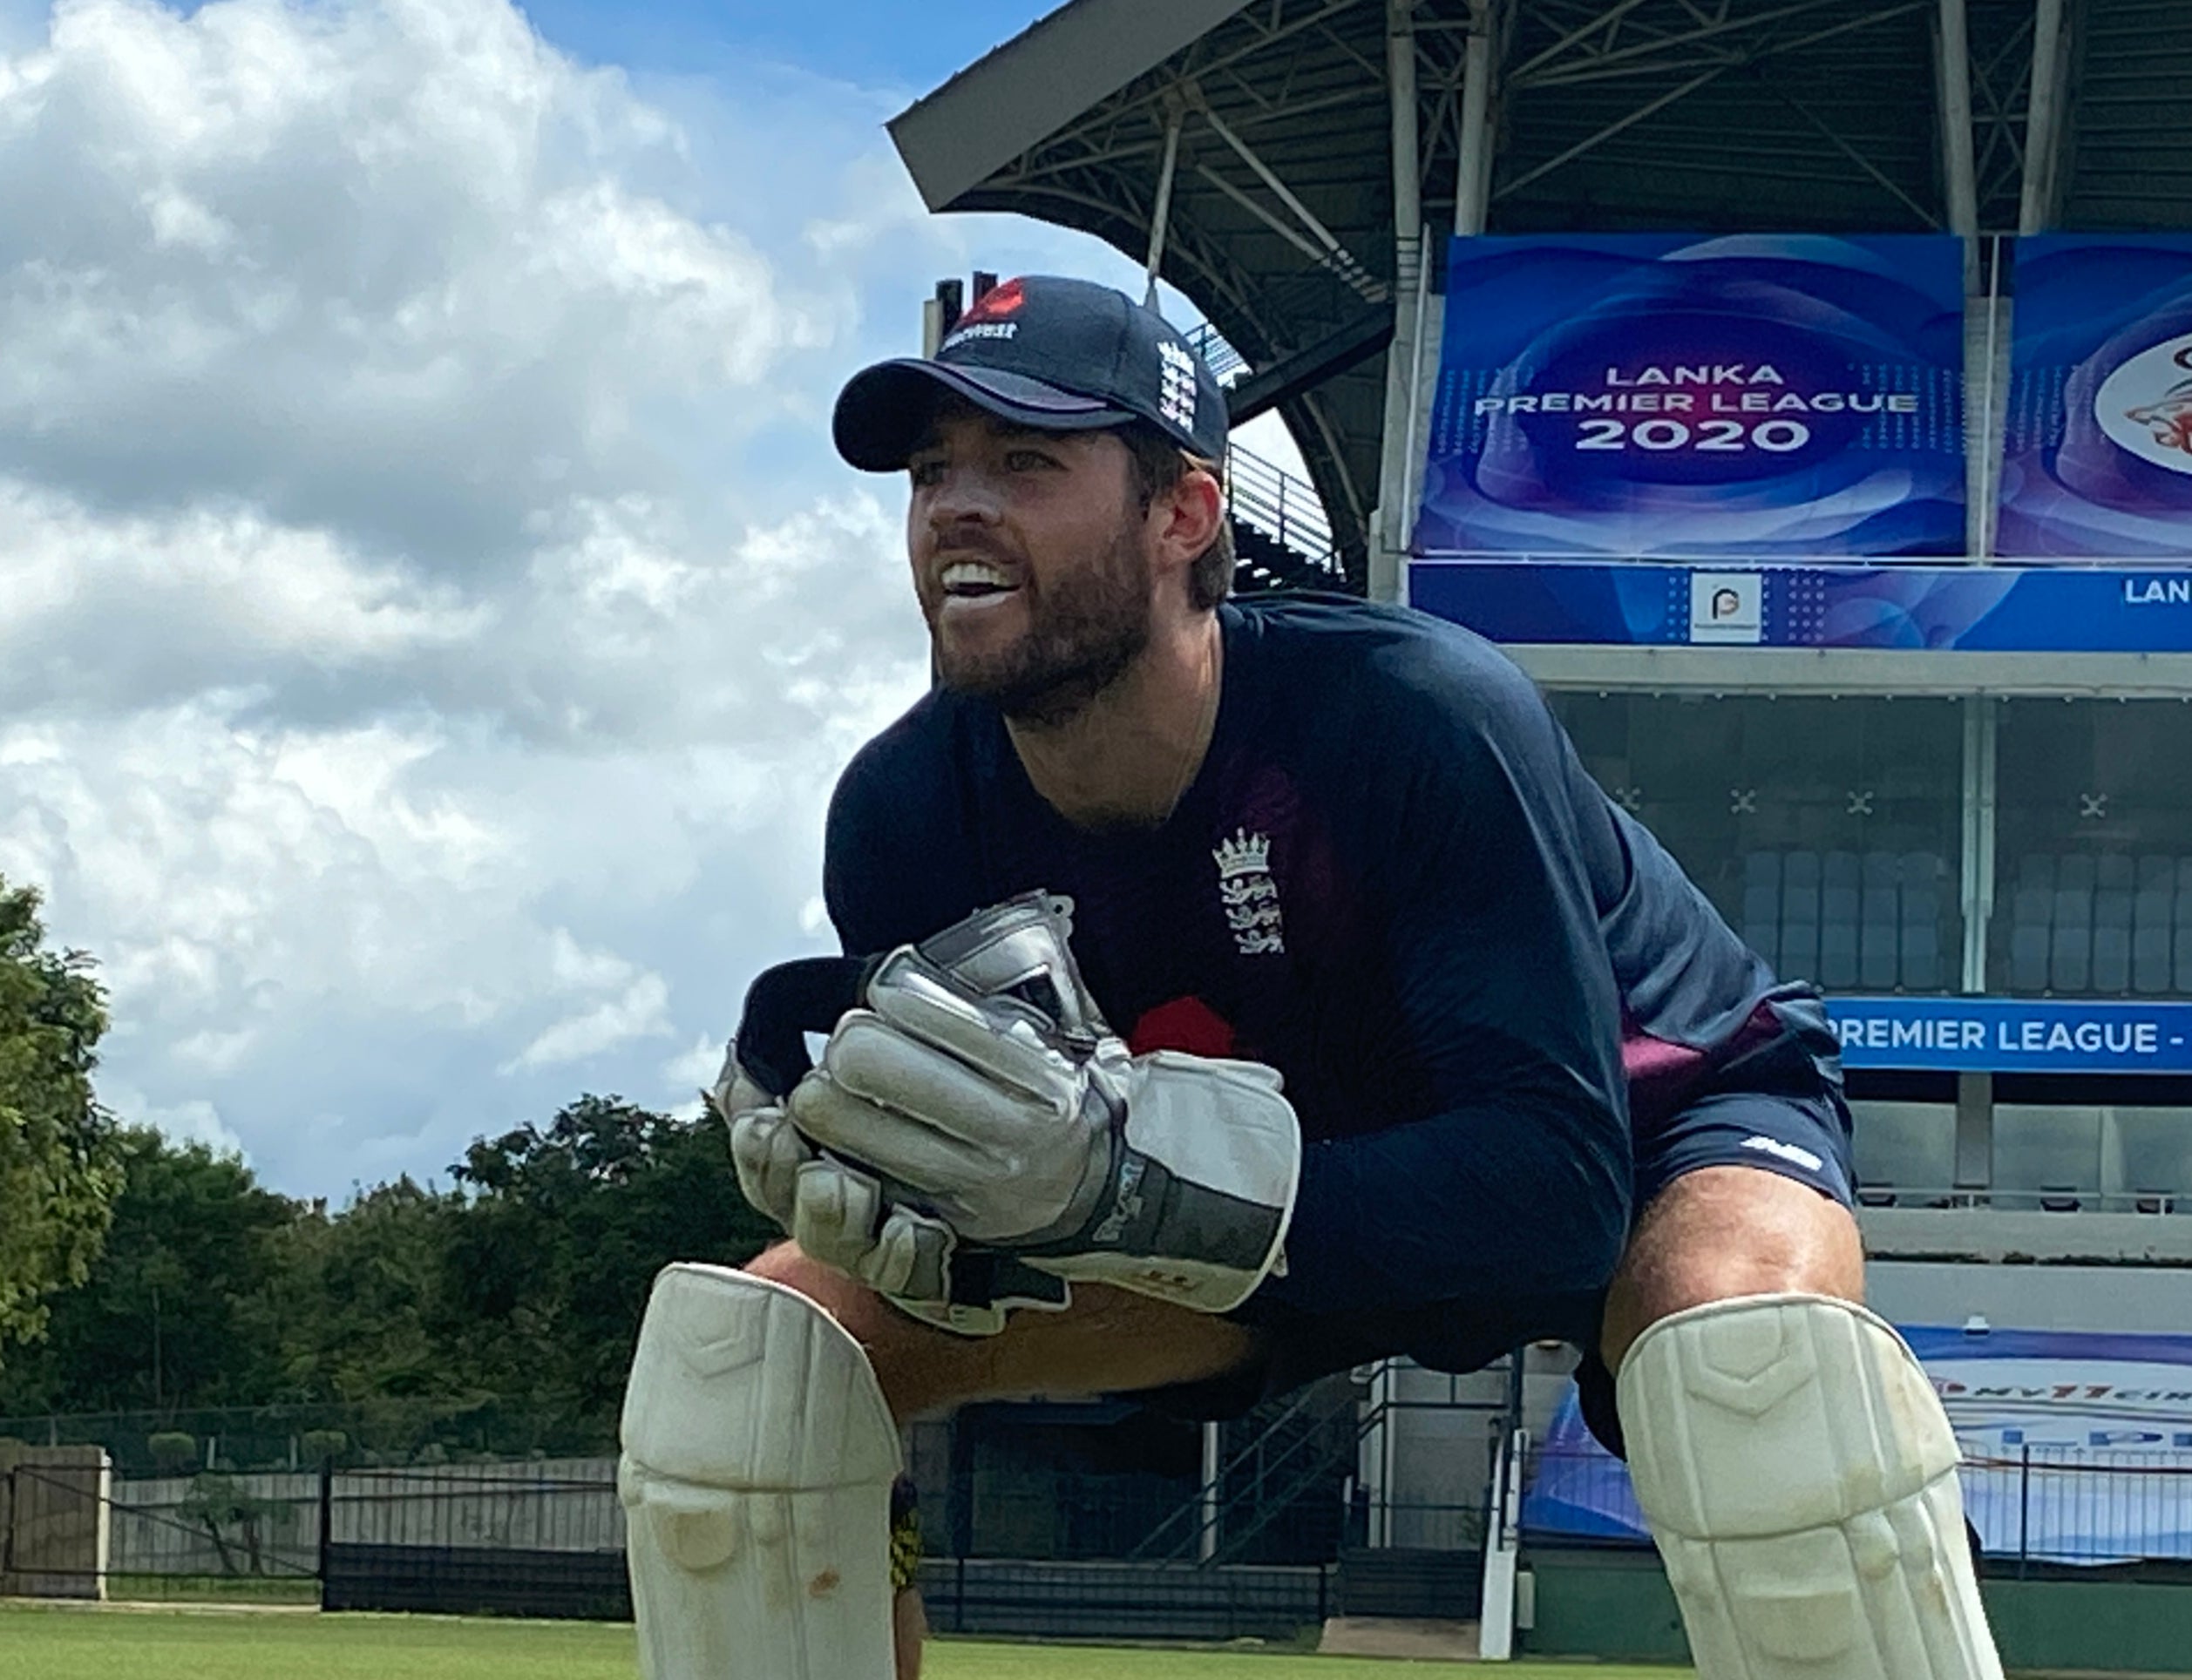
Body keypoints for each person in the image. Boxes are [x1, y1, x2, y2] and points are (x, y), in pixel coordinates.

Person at [613, 276, 2005, 1680]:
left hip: (1635, 1139)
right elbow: (1015, 1185)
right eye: (932, 474)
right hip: (1249, 1225)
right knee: (759, 1369)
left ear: (1186, 515)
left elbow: (1554, 1201)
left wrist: (1122, 1181)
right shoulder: (904, 815)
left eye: (1026, 463)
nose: (955, 510)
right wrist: (900, 1209)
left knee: (1750, 1378)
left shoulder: (1414, 717)